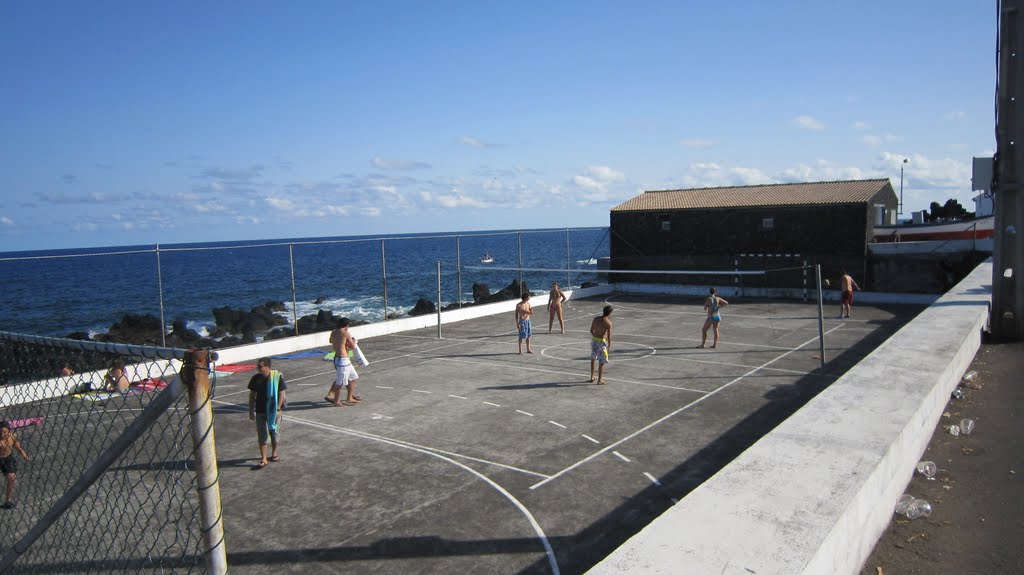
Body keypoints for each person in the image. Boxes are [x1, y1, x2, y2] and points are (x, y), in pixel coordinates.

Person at [247, 358, 286, 469]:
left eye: (260, 366)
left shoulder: (277, 377)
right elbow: (252, 395)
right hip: (260, 411)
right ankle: (263, 458)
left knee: (274, 432)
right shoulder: (255, 379)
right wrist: (250, 410)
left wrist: (278, 409)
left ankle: (274, 452)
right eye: (258, 366)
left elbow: (281, 394)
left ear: (267, 366)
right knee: (262, 434)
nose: (258, 368)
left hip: (274, 410)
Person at [326, 318, 364, 406]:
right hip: (343, 360)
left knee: (353, 378)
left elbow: (331, 341)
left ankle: (349, 398)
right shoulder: (346, 333)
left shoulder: (334, 332)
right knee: (340, 382)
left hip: (338, 359)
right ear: (347, 325)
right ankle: (337, 401)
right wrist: (353, 341)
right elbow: (353, 346)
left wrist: (343, 342)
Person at [0, 420, 31, 509]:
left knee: (12, 478)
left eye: (4, 432)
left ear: (9, 431)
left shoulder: (13, 437)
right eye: (0, 432)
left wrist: (25, 455)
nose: (2, 434)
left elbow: (18, 447)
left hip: (8, 458)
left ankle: (7, 500)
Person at [590, 305, 613, 384]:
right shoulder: (608, 323)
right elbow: (609, 336)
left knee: (593, 358)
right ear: (609, 313)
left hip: (594, 340)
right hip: (601, 342)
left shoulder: (596, 319)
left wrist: (595, 337)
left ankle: (592, 376)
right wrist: (609, 345)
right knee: (601, 360)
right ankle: (600, 380)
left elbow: (591, 330)